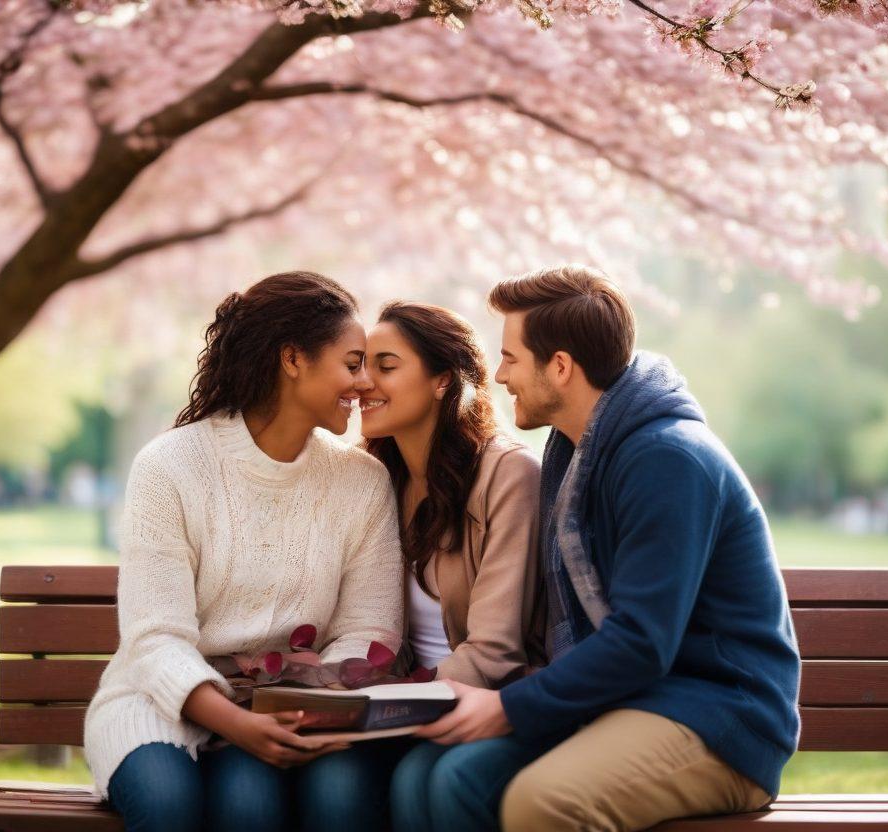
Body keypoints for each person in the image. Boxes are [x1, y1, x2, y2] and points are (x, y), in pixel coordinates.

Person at [413, 265, 801, 831]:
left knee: (541, 802)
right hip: (639, 701)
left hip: (720, 718)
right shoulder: (579, 455)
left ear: (561, 367)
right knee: (457, 777)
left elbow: (642, 641)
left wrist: (506, 707)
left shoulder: (666, 459)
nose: (498, 376)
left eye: (511, 358)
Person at [83, 272, 404, 832]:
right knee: (166, 805)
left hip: (290, 712)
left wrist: (307, 708)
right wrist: (233, 720)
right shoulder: (170, 467)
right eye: (351, 363)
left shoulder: (361, 481)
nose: (363, 383)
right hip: (159, 703)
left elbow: (368, 627)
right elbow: (155, 638)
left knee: (249, 807)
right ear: (292, 359)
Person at [355, 301, 544, 832]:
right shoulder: (376, 480)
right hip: (404, 705)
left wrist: (384, 705)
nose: (365, 382)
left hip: (495, 703)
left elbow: (496, 651)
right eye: (361, 365)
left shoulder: (508, 476)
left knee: (422, 779)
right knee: (336, 778)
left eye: (386, 366)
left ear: (443, 381)